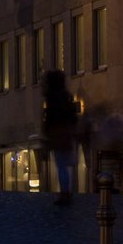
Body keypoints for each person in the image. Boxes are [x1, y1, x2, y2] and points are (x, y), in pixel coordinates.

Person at [41, 70, 81, 206]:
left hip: (57, 132)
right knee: (63, 165)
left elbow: (50, 116)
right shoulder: (65, 96)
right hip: (66, 131)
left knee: (61, 165)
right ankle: (66, 192)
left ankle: (64, 193)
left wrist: (46, 131)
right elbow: (72, 115)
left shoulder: (51, 97)